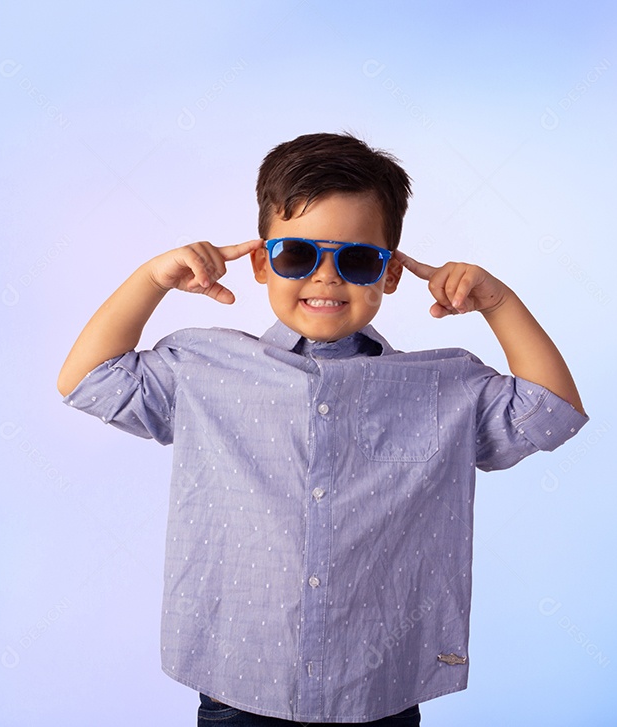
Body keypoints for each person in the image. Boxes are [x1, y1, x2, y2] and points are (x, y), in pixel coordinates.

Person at [58, 132, 587, 725]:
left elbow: (551, 414)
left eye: (358, 260)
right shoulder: (203, 369)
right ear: (262, 262)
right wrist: (150, 278)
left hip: (379, 689)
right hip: (238, 683)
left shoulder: (442, 387)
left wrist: (499, 301)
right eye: (297, 255)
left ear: (389, 275)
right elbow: (89, 380)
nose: (326, 277)